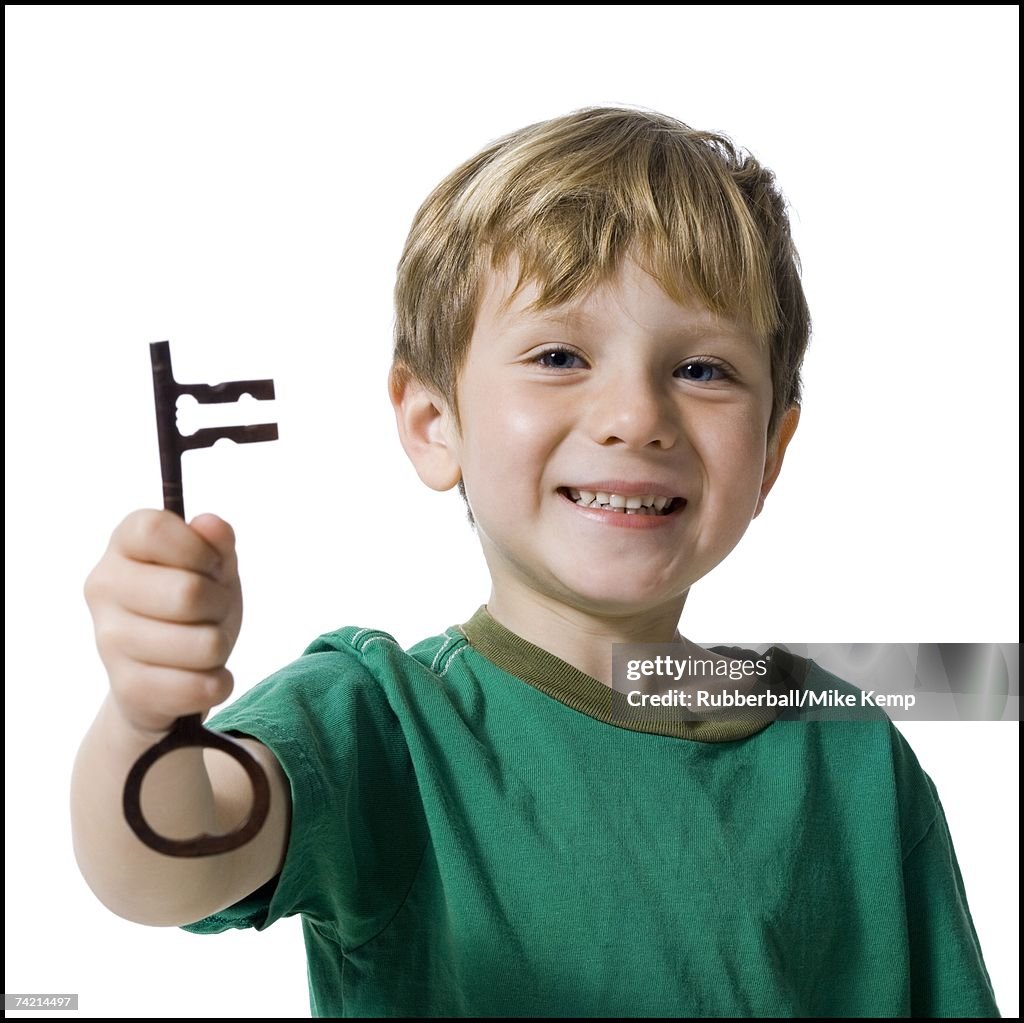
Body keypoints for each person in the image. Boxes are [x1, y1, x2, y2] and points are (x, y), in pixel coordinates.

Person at [72, 107, 1001, 1017]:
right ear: (436, 425)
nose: (635, 416)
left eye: (704, 369)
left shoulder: (855, 759)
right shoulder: (379, 724)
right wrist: (149, 720)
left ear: (771, 452)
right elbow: (164, 864)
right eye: (559, 355)